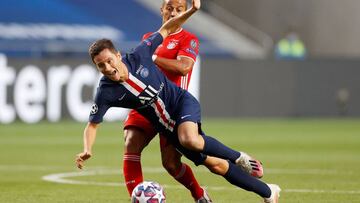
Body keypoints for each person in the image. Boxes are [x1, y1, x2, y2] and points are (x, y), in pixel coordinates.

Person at [75, 0, 281, 202]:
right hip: (161, 120)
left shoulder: (143, 52)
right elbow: (92, 124)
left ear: (118, 56)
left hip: (180, 103)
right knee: (214, 164)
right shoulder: (105, 91)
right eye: (101, 66)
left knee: (189, 141)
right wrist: (87, 149)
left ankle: (239, 157)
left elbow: (171, 37)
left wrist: (193, 11)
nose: (108, 68)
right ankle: (268, 192)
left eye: (110, 61)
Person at [122, 0, 234, 202]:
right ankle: (137, 199)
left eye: (179, 10)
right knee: (131, 143)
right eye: (169, 8)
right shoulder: (149, 38)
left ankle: (198, 193)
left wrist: (153, 58)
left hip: (171, 108)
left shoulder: (189, 39)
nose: (173, 13)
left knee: (171, 164)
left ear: (184, 13)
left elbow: (183, 67)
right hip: (146, 102)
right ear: (162, 9)